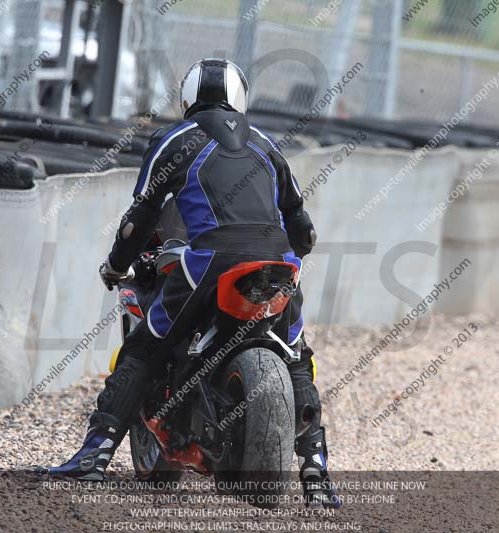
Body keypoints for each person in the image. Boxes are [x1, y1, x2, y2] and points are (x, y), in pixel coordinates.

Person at [39, 58, 339, 509]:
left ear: (187, 99)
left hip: (209, 262)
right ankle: (316, 473)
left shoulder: (173, 139)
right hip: (280, 265)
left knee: (145, 345)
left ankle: (94, 456)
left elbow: (139, 219)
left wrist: (116, 266)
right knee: (296, 354)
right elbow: (305, 231)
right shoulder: (265, 144)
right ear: (240, 97)